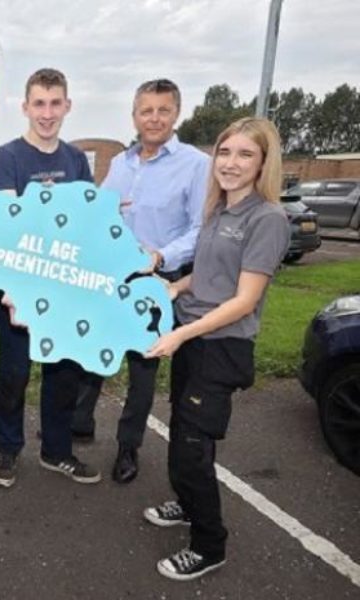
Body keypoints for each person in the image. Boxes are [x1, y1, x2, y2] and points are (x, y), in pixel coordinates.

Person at [143, 117, 289, 581]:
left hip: (220, 347)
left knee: (191, 446)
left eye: (245, 154)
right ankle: (187, 504)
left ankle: (210, 545)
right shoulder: (217, 211)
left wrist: (182, 334)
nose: (230, 163)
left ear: (263, 163)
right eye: (225, 153)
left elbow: (244, 299)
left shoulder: (267, 219)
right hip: (193, 336)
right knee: (183, 427)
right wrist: (173, 288)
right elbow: (207, 277)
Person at [72, 78, 210, 484]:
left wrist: (161, 256)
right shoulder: (121, 163)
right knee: (96, 348)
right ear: (134, 115)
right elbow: (101, 213)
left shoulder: (195, 164)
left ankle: (128, 447)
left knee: (142, 366)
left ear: (176, 114)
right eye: (146, 110)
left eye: (162, 110)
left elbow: (200, 229)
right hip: (113, 275)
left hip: (158, 277)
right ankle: (81, 423)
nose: (154, 118)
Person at [0, 68, 101, 488]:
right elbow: (6, 226)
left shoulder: (74, 160)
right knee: (14, 374)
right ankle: (8, 451)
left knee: (62, 375)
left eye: (55, 103)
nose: (47, 113)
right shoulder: (8, 158)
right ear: (26, 107)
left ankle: (57, 452)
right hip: (16, 291)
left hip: (63, 292)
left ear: (67, 106)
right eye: (39, 103)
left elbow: (85, 222)